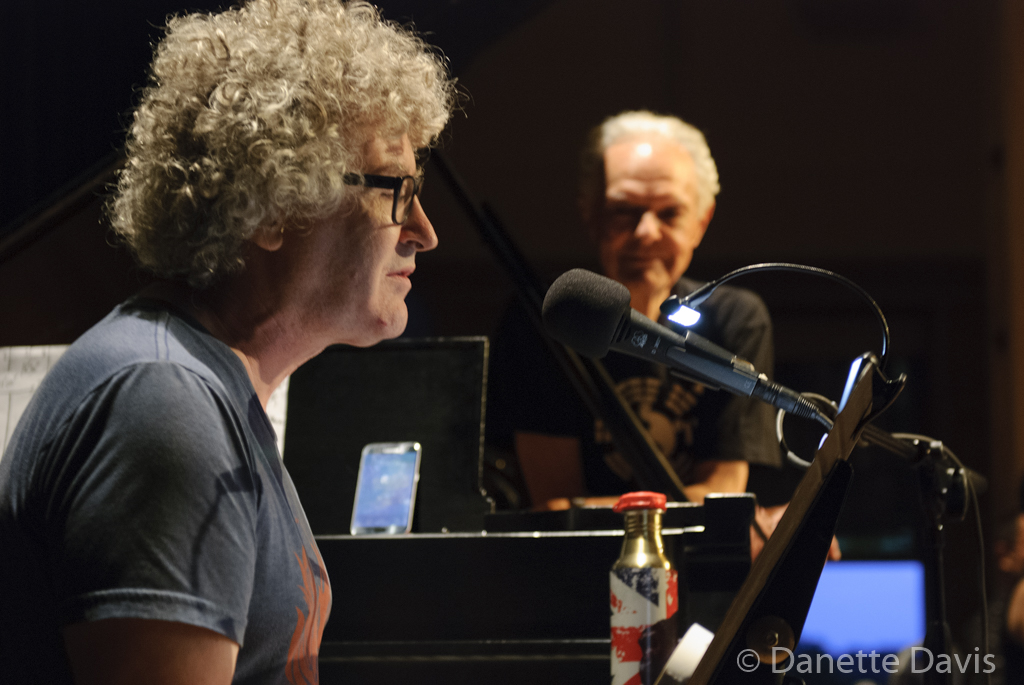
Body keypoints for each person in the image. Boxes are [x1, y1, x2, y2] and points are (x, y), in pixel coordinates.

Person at [0, 1, 454, 683]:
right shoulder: (160, 401)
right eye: (396, 189)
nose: (423, 229)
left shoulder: (204, 390)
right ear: (275, 204)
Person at [487, 111, 780, 508]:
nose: (646, 232)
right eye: (624, 210)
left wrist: (599, 508)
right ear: (591, 215)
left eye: (669, 213)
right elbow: (556, 509)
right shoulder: (547, 319)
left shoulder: (736, 319)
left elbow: (722, 496)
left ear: (701, 222)